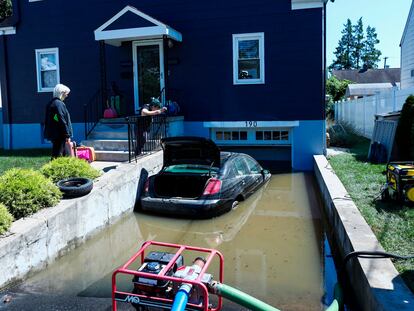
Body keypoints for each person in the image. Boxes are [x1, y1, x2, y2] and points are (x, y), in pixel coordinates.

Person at [44, 84, 73, 158]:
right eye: (66, 94)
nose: (67, 96)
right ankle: (54, 169)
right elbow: (61, 119)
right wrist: (67, 134)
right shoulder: (58, 104)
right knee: (57, 155)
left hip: (55, 133)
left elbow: (55, 118)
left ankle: (56, 168)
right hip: (60, 134)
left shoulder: (52, 103)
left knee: (59, 154)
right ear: (62, 93)